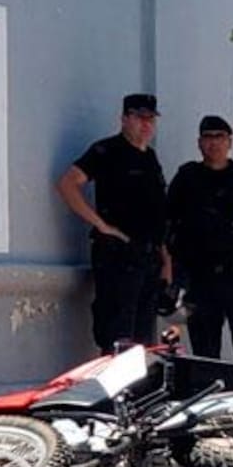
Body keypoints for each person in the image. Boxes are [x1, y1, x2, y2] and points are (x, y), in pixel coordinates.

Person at [57, 93, 171, 354]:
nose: (146, 125)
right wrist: (102, 225)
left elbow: (158, 213)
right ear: (124, 119)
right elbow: (67, 184)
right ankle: (115, 394)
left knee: (144, 343)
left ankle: (137, 395)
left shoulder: (151, 158)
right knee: (117, 339)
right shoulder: (107, 151)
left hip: (149, 258)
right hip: (118, 255)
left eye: (151, 119)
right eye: (140, 118)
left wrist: (166, 260)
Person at [166, 114, 233, 383]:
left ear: (229, 142)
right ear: (199, 143)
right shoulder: (187, 177)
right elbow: (165, 227)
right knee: (205, 356)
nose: (214, 143)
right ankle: (210, 414)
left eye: (220, 137)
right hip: (199, 281)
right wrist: (169, 272)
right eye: (208, 137)